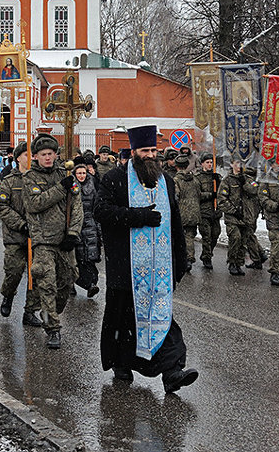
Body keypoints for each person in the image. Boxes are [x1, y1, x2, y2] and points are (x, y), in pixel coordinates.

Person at [94, 124, 198, 394]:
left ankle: (172, 372)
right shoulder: (115, 179)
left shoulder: (167, 181)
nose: (150, 155)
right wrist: (138, 216)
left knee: (163, 319)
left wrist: (180, 259)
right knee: (123, 320)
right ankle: (121, 364)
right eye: (145, 150)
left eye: (153, 150)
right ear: (134, 152)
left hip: (159, 269)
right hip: (125, 268)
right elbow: (102, 212)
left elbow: (174, 223)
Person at [22, 133, 83, 349]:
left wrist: (73, 233)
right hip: (43, 241)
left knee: (67, 282)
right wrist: (60, 189)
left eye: (50, 154)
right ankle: (52, 329)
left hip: (64, 240)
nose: (47, 158)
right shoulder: (29, 178)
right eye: (43, 154)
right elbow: (35, 203)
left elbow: (77, 206)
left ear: (56, 155)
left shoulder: (65, 175)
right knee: (46, 285)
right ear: (36, 156)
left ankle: (50, 313)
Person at [0, 141, 42, 325]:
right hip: (16, 236)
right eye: (26, 155)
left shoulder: (39, 180)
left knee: (36, 274)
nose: (30, 159)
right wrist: (21, 224)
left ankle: (30, 311)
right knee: (14, 271)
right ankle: (8, 295)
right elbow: (3, 207)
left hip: (37, 236)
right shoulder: (9, 182)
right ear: (18, 159)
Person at [73, 162, 102, 298]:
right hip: (76, 225)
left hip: (90, 224)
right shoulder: (71, 187)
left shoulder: (92, 186)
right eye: (79, 173)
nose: (81, 175)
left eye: (83, 173)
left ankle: (92, 283)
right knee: (78, 258)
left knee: (90, 257)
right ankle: (84, 283)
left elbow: (96, 207)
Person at [173, 154, 201, 272]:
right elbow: (199, 194)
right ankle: (189, 258)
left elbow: (176, 196)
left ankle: (184, 260)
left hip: (182, 213)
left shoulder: (176, 180)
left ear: (177, 167)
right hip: (194, 212)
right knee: (190, 236)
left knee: (181, 237)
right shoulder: (194, 179)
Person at [195, 152, 222, 270]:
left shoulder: (216, 177)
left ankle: (208, 253)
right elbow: (197, 195)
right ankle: (207, 257)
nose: (210, 164)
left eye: (211, 162)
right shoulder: (198, 178)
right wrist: (211, 195)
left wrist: (218, 182)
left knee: (215, 234)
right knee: (207, 236)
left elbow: (223, 191)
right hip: (204, 212)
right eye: (207, 162)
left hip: (215, 212)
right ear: (202, 164)